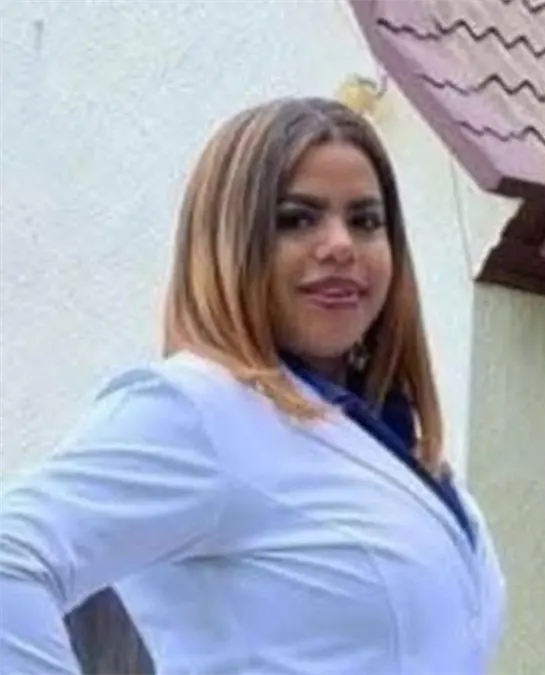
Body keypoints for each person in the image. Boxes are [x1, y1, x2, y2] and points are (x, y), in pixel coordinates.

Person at [0, 97, 506, 675]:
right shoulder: (196, 410)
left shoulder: (395, 442)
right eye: (297, 219)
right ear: (229, 243)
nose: (340, 244)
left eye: (365, 220)